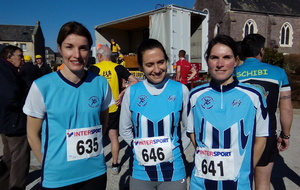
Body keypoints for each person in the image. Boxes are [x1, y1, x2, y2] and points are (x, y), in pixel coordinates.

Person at [23, 21, 114, 189]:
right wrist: (47, 163)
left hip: (95, 172)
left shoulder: (100, 83)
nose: (77, 55)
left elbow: (102, 123)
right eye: (69, 47)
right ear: (59, 48)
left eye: (83, 48)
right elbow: (32, 134)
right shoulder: (42, 86)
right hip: (58, 177)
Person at [187, 35, 269, 189]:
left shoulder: (254, 95)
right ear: (207, 61)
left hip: (239, 184)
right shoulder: (195, 95)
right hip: (201, 184)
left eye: (226, 57)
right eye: (214, 57)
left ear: (236, 61)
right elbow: (192, 134)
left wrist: (246, 168)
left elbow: (261, 138)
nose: (220, 64)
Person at [119, 39, 188, 190]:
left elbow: (189, 129)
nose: (156, 70)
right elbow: (124, 129)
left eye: (161, 62)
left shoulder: (181, 90)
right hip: (141, 171)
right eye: (149, 65)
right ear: (141, 66)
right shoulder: (132, 92)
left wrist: (175, 148)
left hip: (174, 170)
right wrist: (139, 147)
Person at [234, 33, 293, 190]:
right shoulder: (278, 72)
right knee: (263, 183)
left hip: (237, 135)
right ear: (261, 50)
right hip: (266, 134)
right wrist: (285, 135)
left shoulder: (233, 74)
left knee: (238, 181)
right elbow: (286, 108)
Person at [89, 45, 138, 175]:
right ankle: (115, 164)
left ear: (99, 56)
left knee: (96, 137)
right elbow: (135, 81)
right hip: (114, 107)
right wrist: (123, 92)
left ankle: (96, 164)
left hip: (98, 109)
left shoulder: (94, 68)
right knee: (113, 137)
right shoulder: (117, 67)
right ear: (110, 56)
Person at [0, 45, 30, 190]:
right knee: (19, 159)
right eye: (20, 55)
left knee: (8, 157)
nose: (22, 59)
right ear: (9, 56)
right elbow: (11, 98)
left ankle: (4, 185)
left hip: (7, 121)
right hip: (14, 121)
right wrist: (28, 101)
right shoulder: (6, 72)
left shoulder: (6, 70)